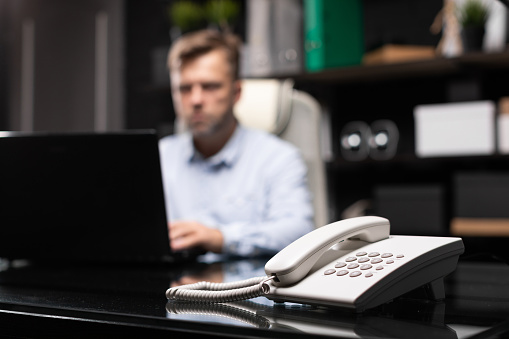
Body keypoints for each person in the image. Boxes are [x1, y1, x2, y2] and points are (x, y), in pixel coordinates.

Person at [159, 29, 314, 259]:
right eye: (184, 88)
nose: (195, 100)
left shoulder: (279, 158)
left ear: (236, 92)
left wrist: (221, 238)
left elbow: (299, 232)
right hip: (169, 289)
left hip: (249, 291)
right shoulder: (160, 157)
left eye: (210, 86)